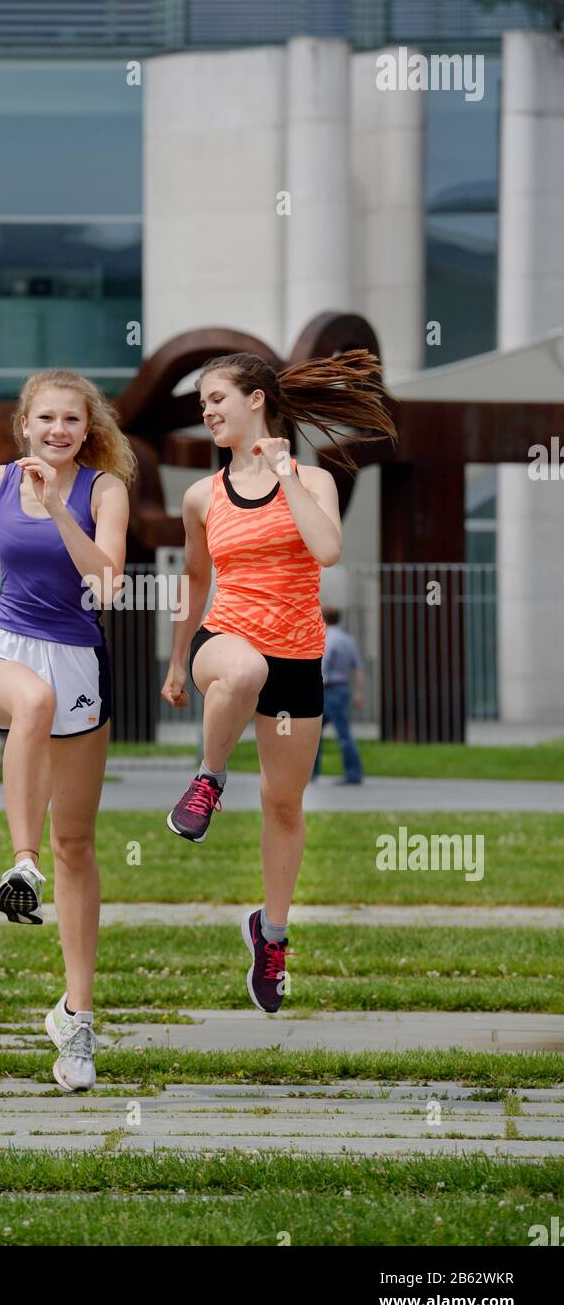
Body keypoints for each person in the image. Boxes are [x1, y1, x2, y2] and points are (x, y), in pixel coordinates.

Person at [161, 351, 396, 1013]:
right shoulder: (202, 496)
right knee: (242, 670)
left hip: (298, 658)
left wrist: (287, 473)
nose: (207, 411)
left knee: (286, 805)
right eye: (203, 402)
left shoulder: (312, 481)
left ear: (257, 400)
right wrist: (179, 660)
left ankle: (272, 933)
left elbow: (326, 551)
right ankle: (208, 779)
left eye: (216, 398)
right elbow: (195, 580)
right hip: (227, 641)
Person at [0, 370, 133, 1090]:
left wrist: (58, 510)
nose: (57, 430)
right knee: (33, 702)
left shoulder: (104, 490)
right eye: (45, 418)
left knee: (77, 843)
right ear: (24, 424)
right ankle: (21, 862)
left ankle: (76, 1023)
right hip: (4, 652)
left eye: (71, 421)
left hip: (81, 663)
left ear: (87, 429)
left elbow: (106, 583)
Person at [312, 607, 365, 785]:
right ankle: (315, 772)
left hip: (329, 690)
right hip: (343, 688)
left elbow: (322, 667)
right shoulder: (347, 639)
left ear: (323, 619)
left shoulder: (327, 639)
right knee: (332, 732)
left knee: (320, 732)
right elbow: (357, 667)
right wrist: (359, 692)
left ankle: (352, 774)